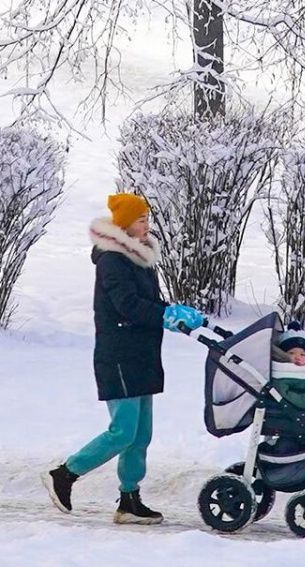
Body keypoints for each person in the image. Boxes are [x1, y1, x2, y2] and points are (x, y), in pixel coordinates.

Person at [41, 193, 206, 524]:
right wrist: (164, 315)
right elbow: (127, 305)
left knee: (141, 433)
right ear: (124, 224)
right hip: (118, 356)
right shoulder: (112, 261)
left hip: (141, 354)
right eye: (141, 218)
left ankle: (129, 499)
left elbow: (146, 301)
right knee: (123, 431)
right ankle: (64, 473)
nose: (147, 223)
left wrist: (173, 312)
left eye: (147, 218)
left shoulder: (140, 258)